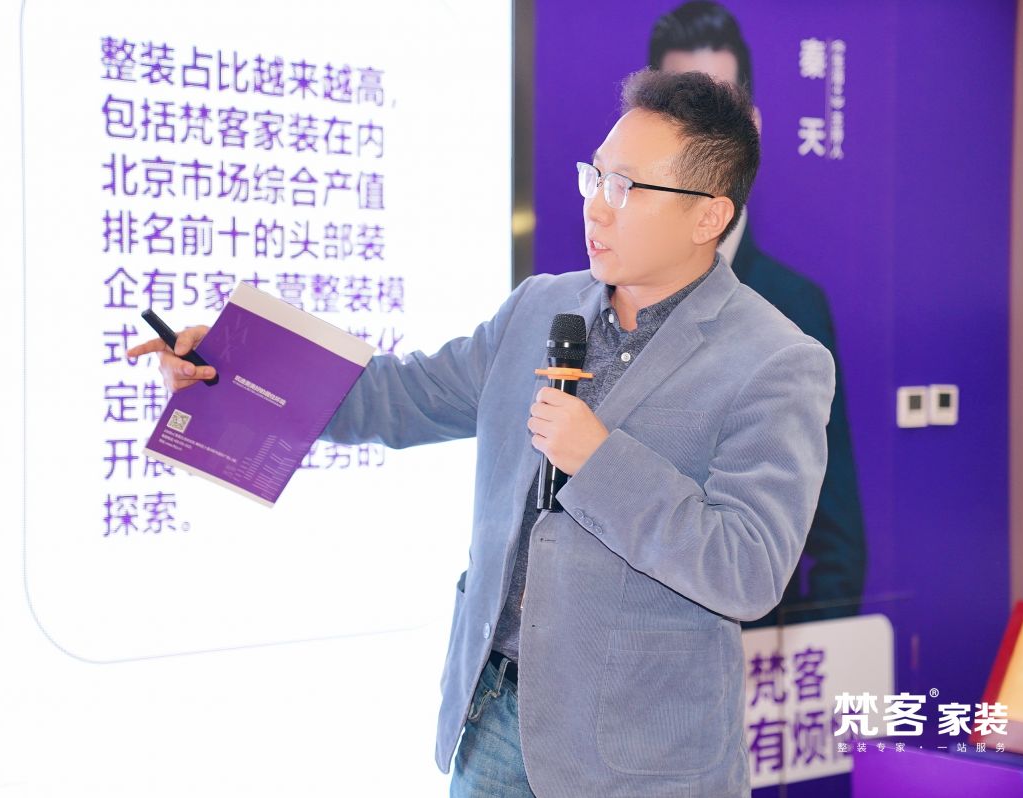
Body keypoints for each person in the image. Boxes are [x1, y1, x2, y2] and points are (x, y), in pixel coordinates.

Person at [130, 69, 834, 797]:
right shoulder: (540, 308)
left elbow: (748, 569)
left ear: (708, 216)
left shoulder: (776, 361)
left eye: (627, 187)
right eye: (595, 176)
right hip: (492, 716)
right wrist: (233, 363)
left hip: (639, 756)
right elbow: (400, 397)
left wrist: (597, 461)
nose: (596, 205)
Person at [649, 0, 867, 628]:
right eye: (680, 111)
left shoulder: (794, 307)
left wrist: (810, 647)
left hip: (749, 645)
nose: (700, 135)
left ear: (754, 128)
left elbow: (833, 515)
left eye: (719, 109)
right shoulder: (600, 290)